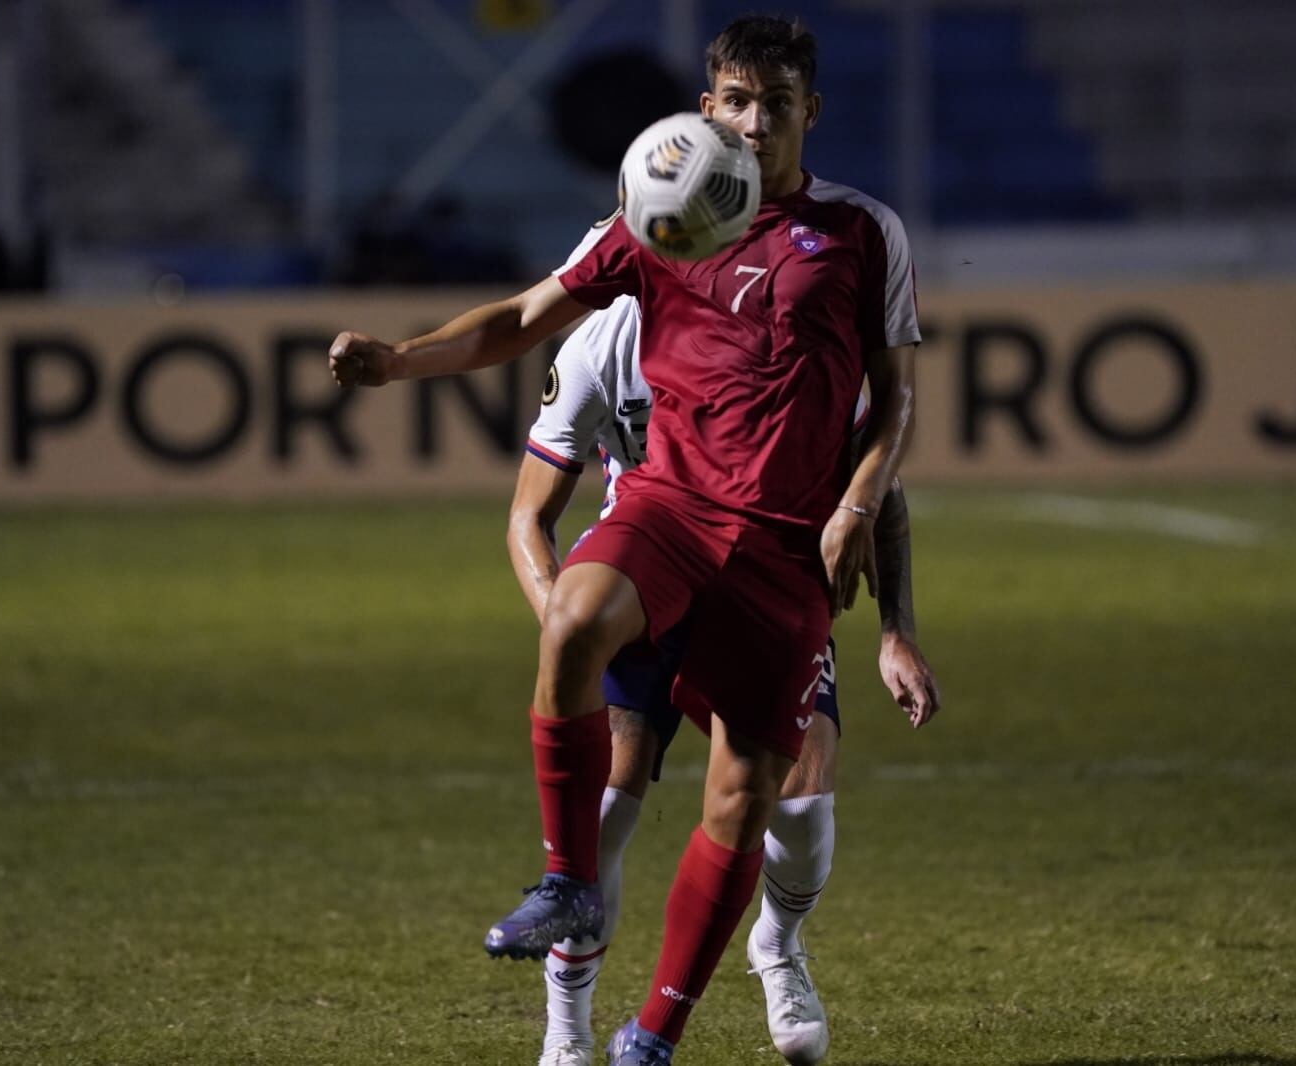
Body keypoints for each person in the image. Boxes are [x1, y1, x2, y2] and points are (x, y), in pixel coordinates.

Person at [328, 15, 928, 1063]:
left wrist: (857, 505)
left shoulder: (861, 232)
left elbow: (895, 407)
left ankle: (654, 1033)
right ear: (707, 108)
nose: (752, 122)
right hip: (670, 509)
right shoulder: (656, 220)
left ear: (807, 114)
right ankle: (565, 884)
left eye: (774, 105)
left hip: (785, 548)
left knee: (746, 801)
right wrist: (401, 360)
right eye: (735, 101)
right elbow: (522, 317)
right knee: (569, 618)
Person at [511, 294, 939, 1066]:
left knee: (802, 811)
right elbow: (527, 517)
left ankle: (777, 944)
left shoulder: (788, 334)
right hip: (645, 578)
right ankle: (566, 1033)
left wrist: (894, 632)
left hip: (761, 583)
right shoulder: (599, 347)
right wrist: (567, 628)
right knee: (605, 810)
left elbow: (883, 494)